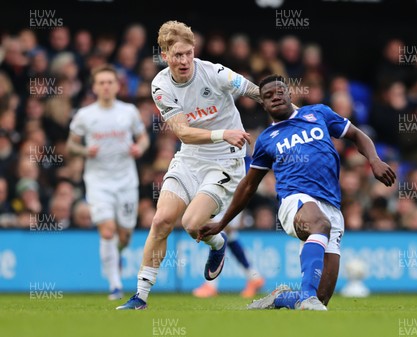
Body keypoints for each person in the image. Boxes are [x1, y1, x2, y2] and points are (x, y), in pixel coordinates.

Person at [197, 75, 396, 310]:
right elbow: (249, 185)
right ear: (264, 104)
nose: (275, 97)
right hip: (295, 200)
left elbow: (356, 134)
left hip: (331, 206)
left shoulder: (318, 113)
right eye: (268, 96)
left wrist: (374, 160)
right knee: (319, 225)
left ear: (289, 94)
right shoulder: (266, 140)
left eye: (279, 92)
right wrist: (221, 223)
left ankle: (280, 298)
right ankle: (307, 296)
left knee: (321, 297)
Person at [116, 20, 264, 310]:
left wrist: (291, 113)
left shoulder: (216, 73)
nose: (184, 60)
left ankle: (217, 244)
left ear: (194, 50)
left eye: (187, 53)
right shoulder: (160, 85)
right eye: (177, 55)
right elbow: (182, 132)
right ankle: (140, 297)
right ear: (165, 55)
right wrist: (225, 133)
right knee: (160, 221)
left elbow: (256, 92)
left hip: (224, 162)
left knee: (191, 224)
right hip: (189, 158)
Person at [67, 64, 149, 300]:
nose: (105, 86)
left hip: (126, 182)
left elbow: (143, 138)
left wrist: (139, 148)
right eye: (101, 83)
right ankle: (115, 285)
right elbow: (71, 145)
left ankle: (115, 254)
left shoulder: (129, 111)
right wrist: (84, 151)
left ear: (116, 86)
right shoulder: (85, 115)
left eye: (109, 82)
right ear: (94, 87)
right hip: (98, 182)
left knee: (124, 236)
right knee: (107, 230)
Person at [192, 212, 265, 299]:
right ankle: (254, 278)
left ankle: (210, 285)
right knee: (228, 236)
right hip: (225, 202)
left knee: (216, 232)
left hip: (228, 202)